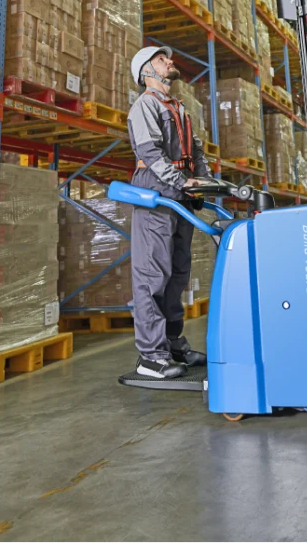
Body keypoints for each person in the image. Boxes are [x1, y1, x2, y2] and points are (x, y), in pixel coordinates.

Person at [126, 46, 212, 380]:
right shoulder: (145, 105)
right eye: (163, 60)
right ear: (147, 70)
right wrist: (182, 181)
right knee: (153, 276)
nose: (170, 61)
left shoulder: (179, 108)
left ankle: (173, 343)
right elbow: (151, 151)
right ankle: (150, 356)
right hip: (156, 192)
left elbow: (197, 150)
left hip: (180, 192)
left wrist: (202, 184)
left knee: (177, 274)